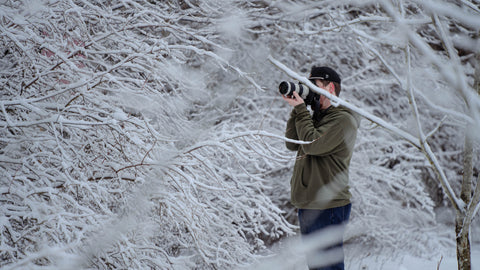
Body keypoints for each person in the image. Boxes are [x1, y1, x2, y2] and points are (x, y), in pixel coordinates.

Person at [282, 66, 359, 270]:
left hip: (328, 204)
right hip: (309, 203)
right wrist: (297, 109)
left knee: (328, 266)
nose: (310, 91)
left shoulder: (343, 119)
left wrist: (301, 111)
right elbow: (291, 143)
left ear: (330, 88)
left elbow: (312, 144)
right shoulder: (316, 117)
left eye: (313, 87)